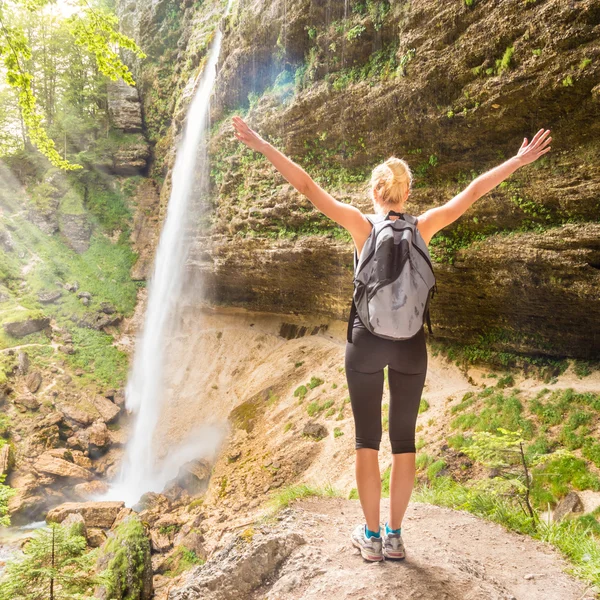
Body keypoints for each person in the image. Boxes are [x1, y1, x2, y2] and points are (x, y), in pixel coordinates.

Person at [231, 116, 552, 561]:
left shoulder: (362, 227)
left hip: (365, 342)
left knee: (367, 440)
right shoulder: (426, 226)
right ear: (407, 195)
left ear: (376, 194)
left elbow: (306, 187)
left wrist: (263, 144)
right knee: (404, 442)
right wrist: (518, 160)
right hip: (411, 346)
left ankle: (370, 537)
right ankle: (396, 536)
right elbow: (475, 190)